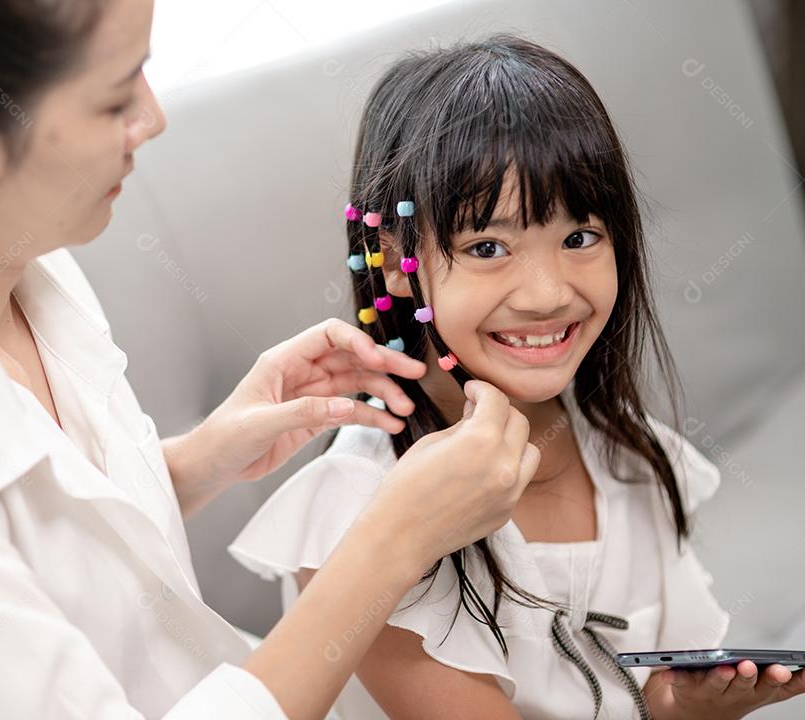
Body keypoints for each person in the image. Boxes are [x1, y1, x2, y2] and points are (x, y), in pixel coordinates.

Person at [0, 2, 541, 718]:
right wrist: (390, 545)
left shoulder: (18, 262)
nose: (153, 119)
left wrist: (194, 461)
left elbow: (45, 541)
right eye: (118, 96)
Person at [230, 35, 805, 719]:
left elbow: (655, 691)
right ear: (391, 262)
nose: (546, 292)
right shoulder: (360, 516)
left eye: (580, 237)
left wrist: (681, 710)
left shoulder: (626, 456)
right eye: (489, 247)